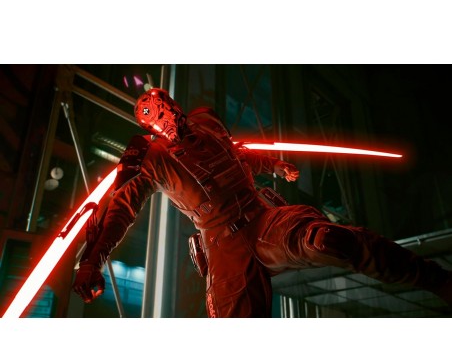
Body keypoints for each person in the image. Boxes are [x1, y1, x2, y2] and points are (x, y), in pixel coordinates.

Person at [72, 87, 452, 317]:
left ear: (172, 104)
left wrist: (274, 166)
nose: (168, 117)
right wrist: (93, 259)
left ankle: (436, 279)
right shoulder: (151, 157)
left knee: (331, 240)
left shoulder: (208, 125)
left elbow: (238, 156)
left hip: (262, 218)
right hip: (224, 247)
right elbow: (121, 209)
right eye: (157, 116)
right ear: (150, 125)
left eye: (166, 107)